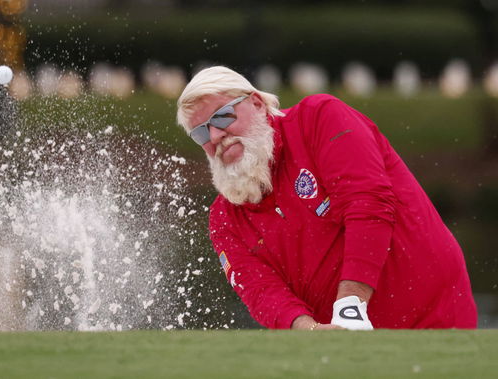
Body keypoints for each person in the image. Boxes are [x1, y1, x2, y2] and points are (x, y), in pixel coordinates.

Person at [176, 66, 477, 330]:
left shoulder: (319, 118)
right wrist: (313, 333)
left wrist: (350, 306)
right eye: (200, 133)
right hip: (346, 343)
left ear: (256, 103)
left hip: (432, 316)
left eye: (222, 116)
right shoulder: (223, 219)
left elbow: (368, 203)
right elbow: (261, 291)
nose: (215, 136)